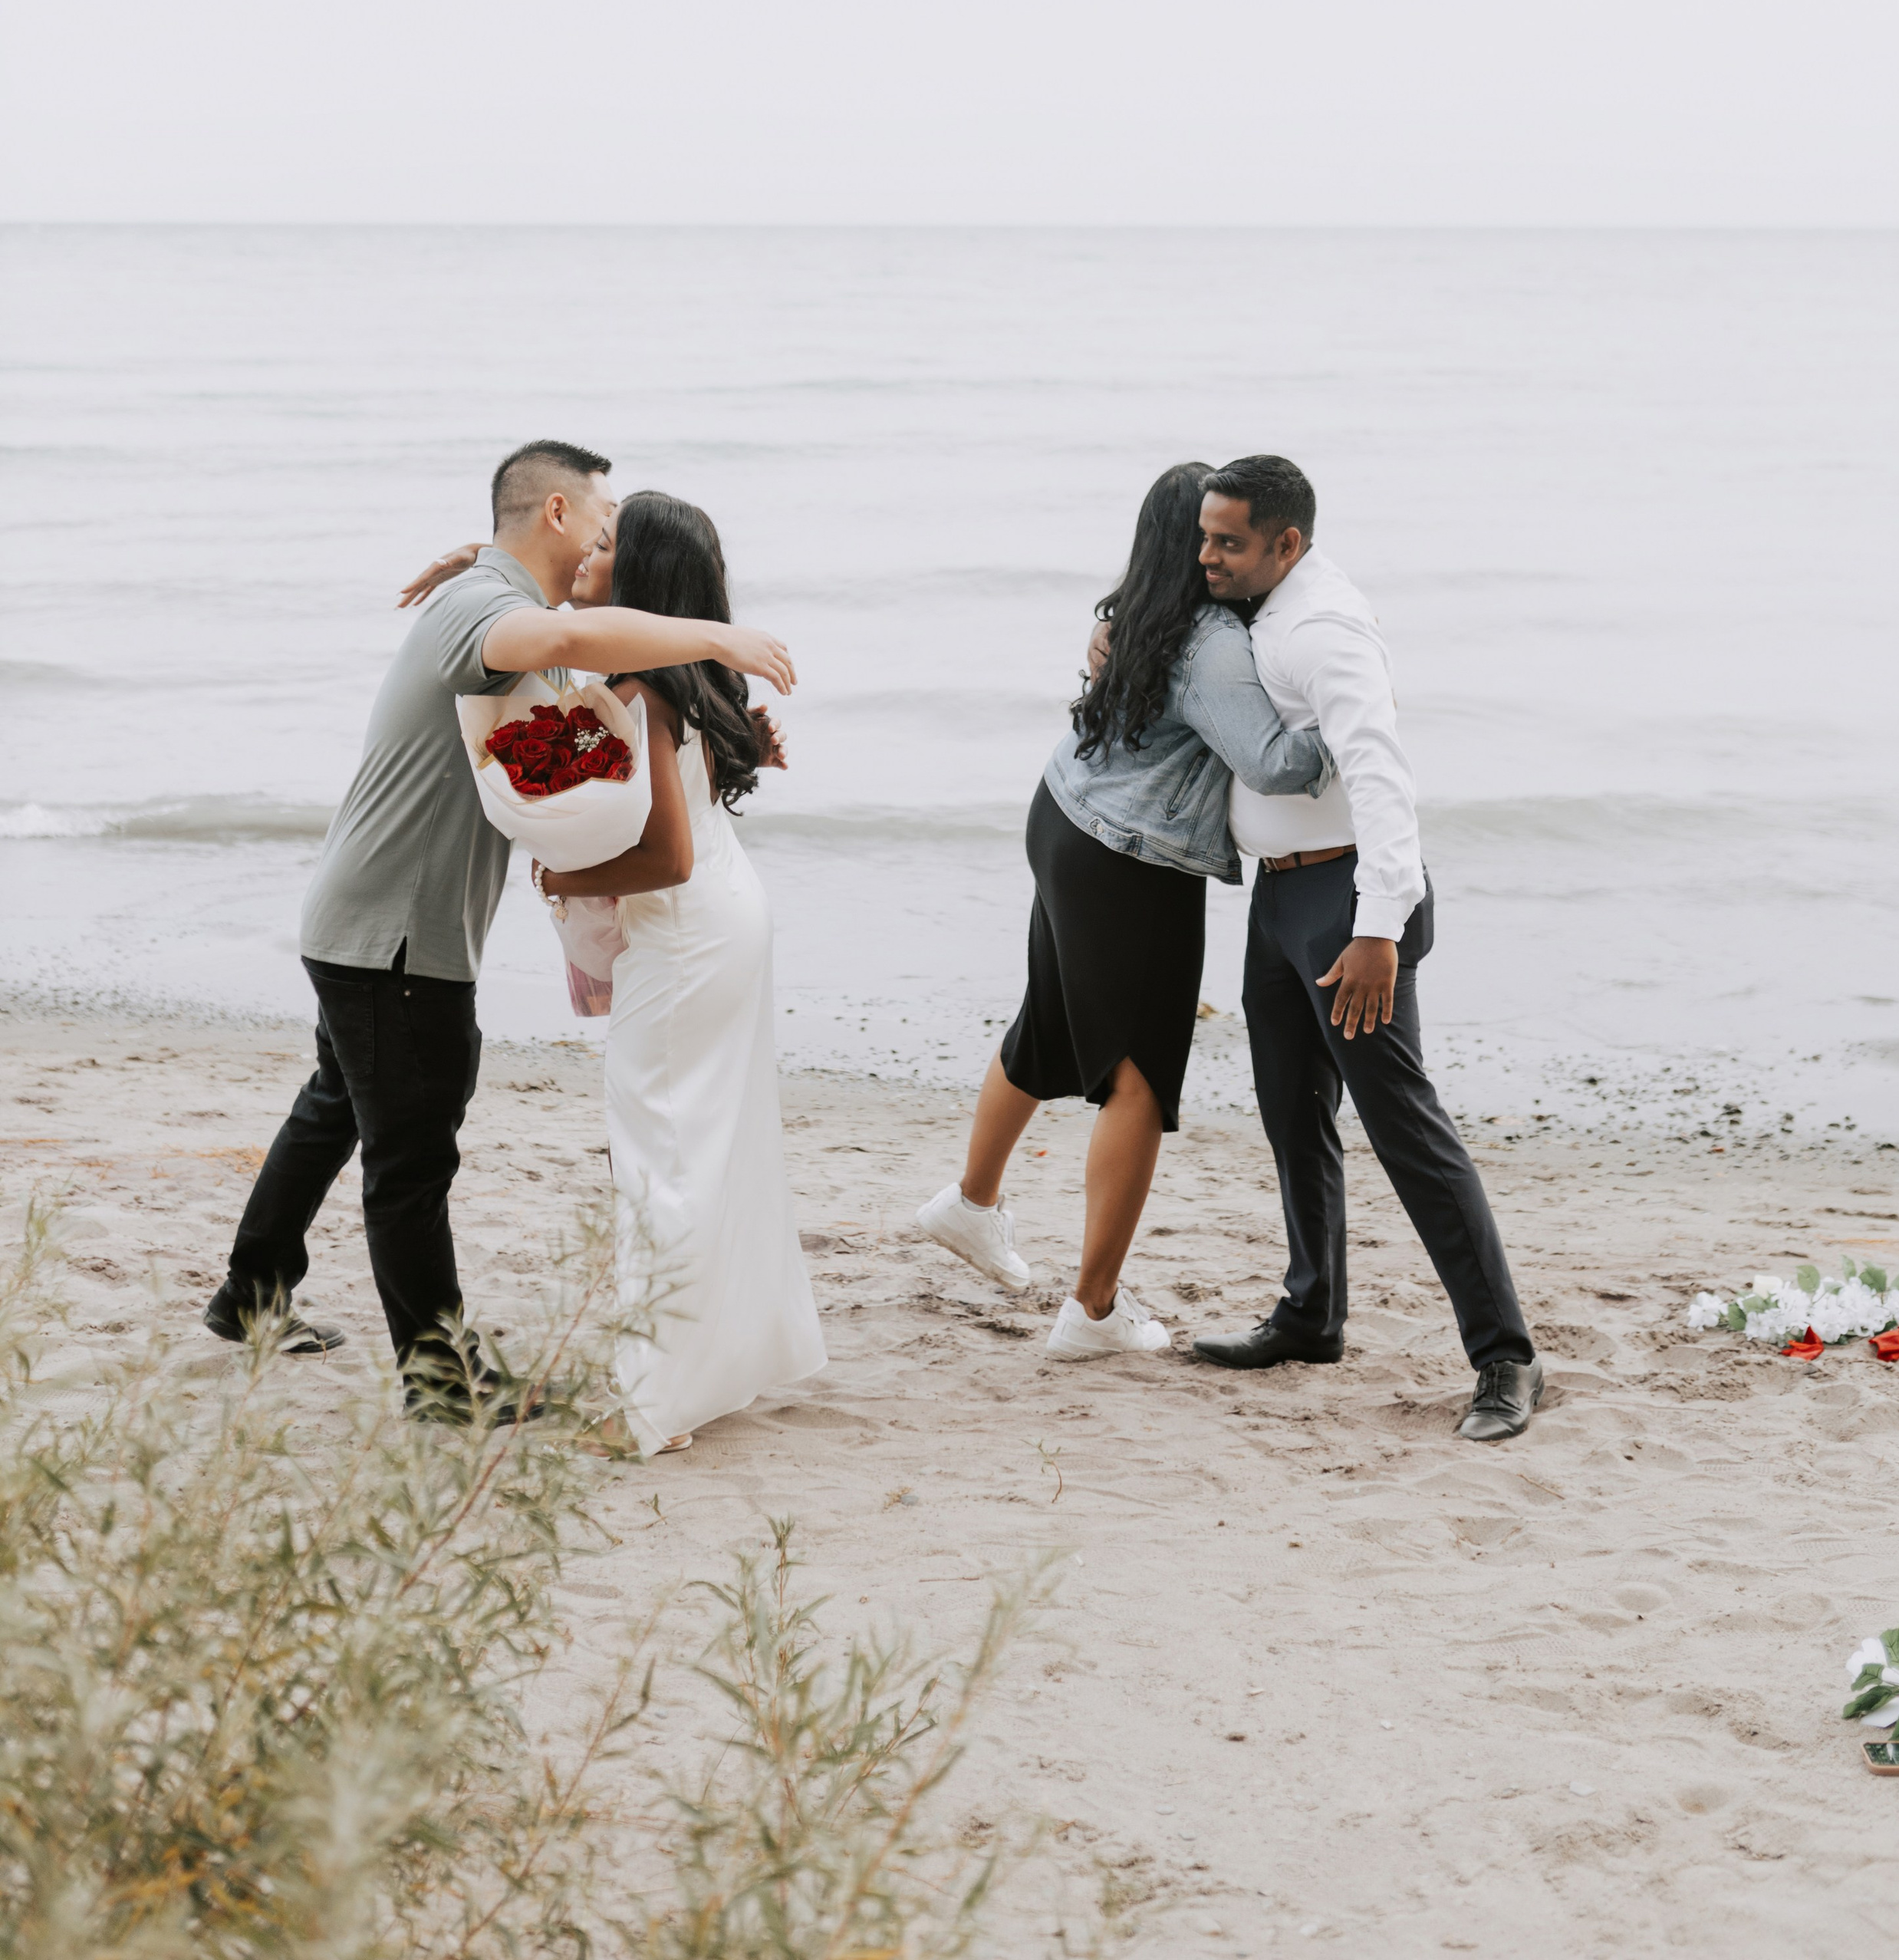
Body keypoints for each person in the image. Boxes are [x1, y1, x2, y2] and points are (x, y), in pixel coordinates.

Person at [203, 440, 796, 1417]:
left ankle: (249, 1295)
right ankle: (442, 1385)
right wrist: (715, 638)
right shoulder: (487, 612)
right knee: (413, 1156)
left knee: (338, 1109)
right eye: (600, 517)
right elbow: (560, 646)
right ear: (558, 513)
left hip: (368, 919)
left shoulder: (487, 599)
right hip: (396, 932)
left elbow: (573, 687)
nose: (610, 534)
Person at [915, 462, 1335, 1356]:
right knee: (1139, 1081)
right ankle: (1094, 1310)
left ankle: (970, 1202)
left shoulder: (1135, 614)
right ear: (1190, 544)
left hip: (1063, 818)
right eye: (1211, 536)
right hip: (1129, 861)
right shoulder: (1211, 639)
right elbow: (1271, 763)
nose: (1221, 550)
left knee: (1051, 1022)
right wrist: (1351, 719)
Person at [1190, 454, 1541, 1443]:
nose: (1206, 555)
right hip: (1280, 894)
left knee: (1405, 1132)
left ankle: (1505, 1357)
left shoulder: (1322, 629)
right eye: (1204, 535)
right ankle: (1310, 1315)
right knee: (1293, 1115)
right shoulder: (1259, 595)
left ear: (1284, 543)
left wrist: (1378, 926)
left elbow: (1381, 772)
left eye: (1227, 541)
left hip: (1347, 901)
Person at [535, 491, 825, 1455]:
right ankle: (714, 1367)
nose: (587, 549)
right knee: (713, 1149)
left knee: (659, 1156)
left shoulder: (647, 690)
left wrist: (557, 871)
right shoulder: (673, 672)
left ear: (645, 579)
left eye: (608, 542)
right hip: (727, 920)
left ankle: (650, 1404)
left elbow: (663, 856)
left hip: (686, 929)